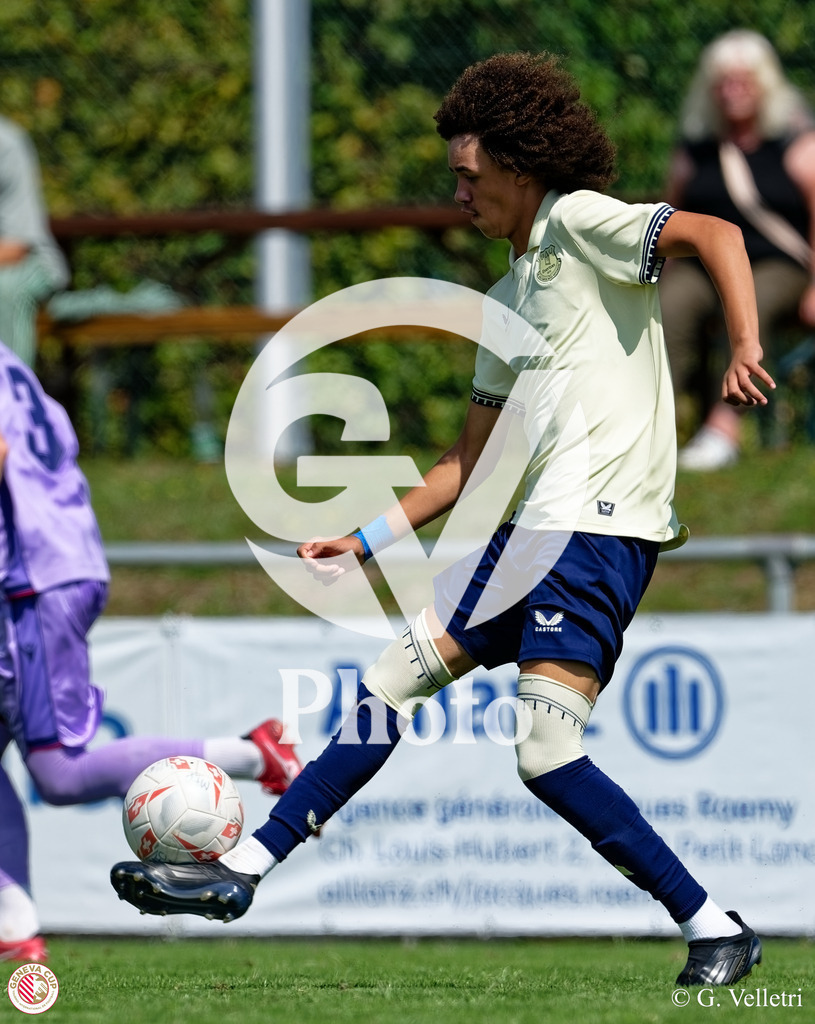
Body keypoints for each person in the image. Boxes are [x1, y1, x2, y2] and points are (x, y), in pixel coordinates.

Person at [111, 52, 772, 987]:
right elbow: (463, 464)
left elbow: (718, 235)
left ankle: (713, 927)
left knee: (544, 756)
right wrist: (365, 537)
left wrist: (743, 342)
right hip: (525, 535)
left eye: (468, 175)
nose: (456, 191)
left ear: (520, 165)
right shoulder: (504, 302)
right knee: (390, 680)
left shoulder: (579, 223)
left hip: (593, 530)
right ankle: (241, 875)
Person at [0, 339, 303, 963]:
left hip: (32, 582)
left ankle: (252, 754)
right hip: (54, 569)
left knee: (58, 770)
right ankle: (15, 932)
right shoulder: (16, 368)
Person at [659, 30, 815, 470]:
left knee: (750, 303)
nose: (733, 90)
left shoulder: (797, 144)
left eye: (743, 80)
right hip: (702, 267)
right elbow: (672, 216)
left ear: (765, 84)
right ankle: (655, 427)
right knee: (670, 307)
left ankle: (723, 428)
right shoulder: (696, 151)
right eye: (723, 81)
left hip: (778, 265)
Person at [0, 114, 69, 368]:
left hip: (29, 265)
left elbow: (16, 248)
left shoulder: (6, 144)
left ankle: (12, 400)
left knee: (4, 288)